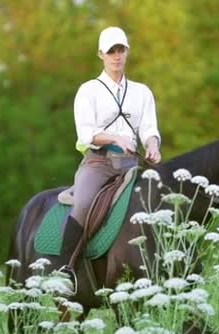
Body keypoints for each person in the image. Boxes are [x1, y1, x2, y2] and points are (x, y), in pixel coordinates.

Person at [58, 26, 162, 282]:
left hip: (130, 164)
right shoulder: (88, 90)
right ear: (100, 55)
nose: (117, 56)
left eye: (121, 50)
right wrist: (115, 137)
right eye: (111, 51)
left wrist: (152, 144)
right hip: (98, 162)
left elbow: (149, 129)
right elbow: (86, 135)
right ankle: (65, 270)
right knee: (82, 204)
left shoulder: (142, 92)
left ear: (127, 52)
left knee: (160, 200)